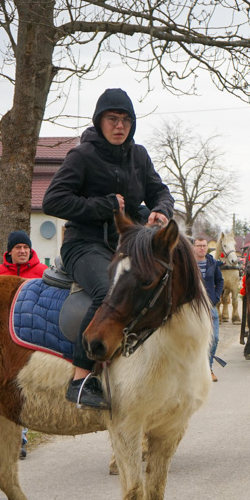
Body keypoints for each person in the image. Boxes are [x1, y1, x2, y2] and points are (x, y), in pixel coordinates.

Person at [43, 88, 174, 409]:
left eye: (126, 120)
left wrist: (161, 210)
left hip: (124, 246)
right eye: (113, 119)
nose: (120, 126)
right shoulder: (82, 156)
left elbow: (161, 191)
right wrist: (103, 206)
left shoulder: (139, 156)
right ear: (100, 121)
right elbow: (52, 200)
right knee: (108, 292)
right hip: (83, 246)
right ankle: (81, 378)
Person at [0, 229, 47, 459]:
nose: (22, 251)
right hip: (3, 337)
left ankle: (20, 436)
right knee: (3, 385)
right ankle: (3, 435)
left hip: (30, 336)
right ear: (10, 252)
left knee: (23, 384)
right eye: (18, 248)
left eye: (25, 247)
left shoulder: (42, 272)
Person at [194, 238, 223, 382]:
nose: (202, 248)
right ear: (193, 247)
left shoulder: (213, 263)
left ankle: (208, 368)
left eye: (204, 246)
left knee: (214, 338)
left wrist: (216, 298)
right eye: (199, 246)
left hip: (210, 306)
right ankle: (194, 371)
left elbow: (220, 281)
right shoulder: (189, 263)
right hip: (192, 308)